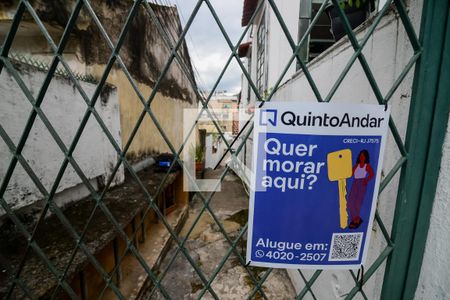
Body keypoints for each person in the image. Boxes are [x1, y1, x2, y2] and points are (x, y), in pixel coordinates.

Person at [348, 149, 374, 229]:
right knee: (350, 202)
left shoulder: (367, 166)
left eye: (363, 156)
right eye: (360, 156)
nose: (361, 158)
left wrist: (366, 180)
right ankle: (356, 219)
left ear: (366, 157)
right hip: (355, 183)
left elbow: (372, 174)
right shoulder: (356, 166)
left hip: (362, 183)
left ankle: (355, 221)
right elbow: (350, 173)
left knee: (357, 202)